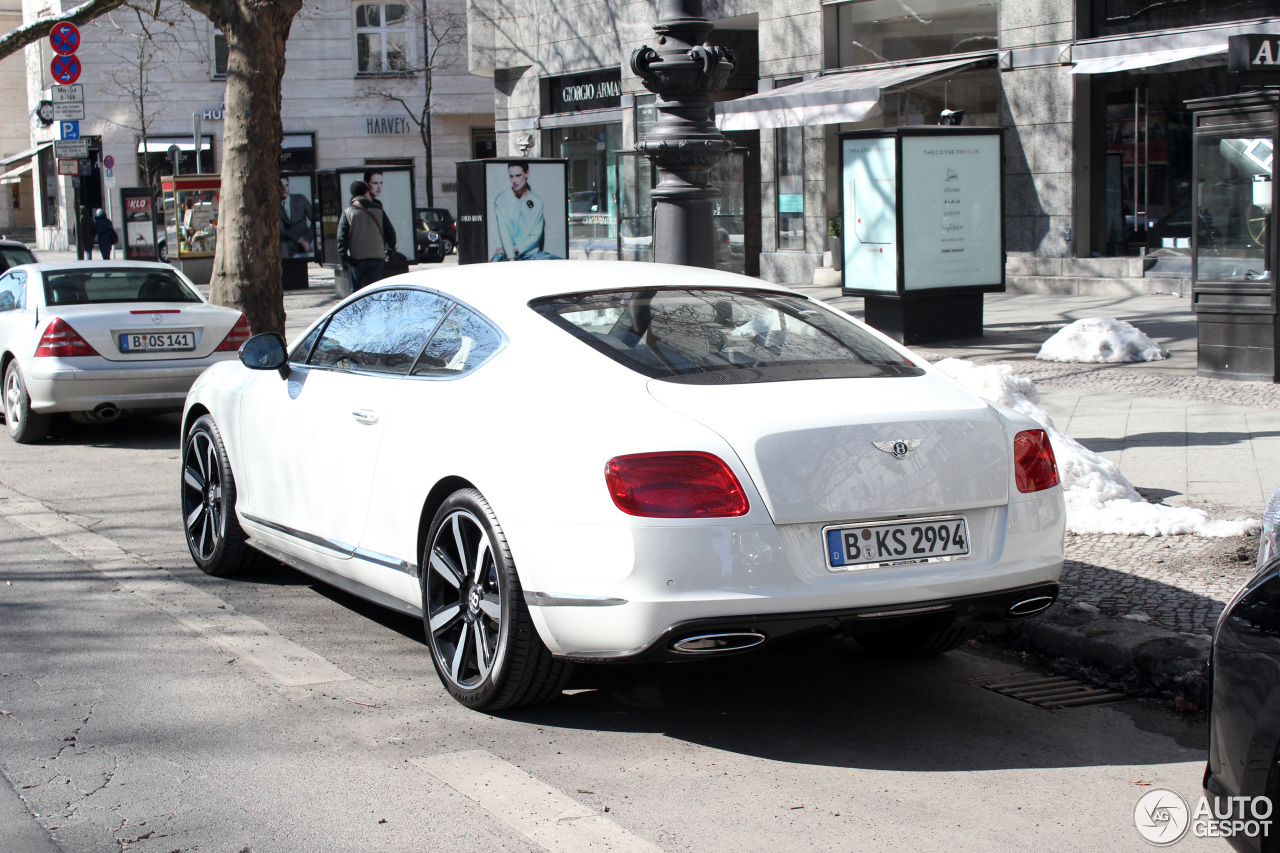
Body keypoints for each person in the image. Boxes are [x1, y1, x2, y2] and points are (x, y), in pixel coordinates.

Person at [490, 161, 560, 261]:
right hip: (508, 253)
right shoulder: (501, 200)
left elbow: (535, 237)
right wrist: (510, 255)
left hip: (532, 255)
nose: (514, 180)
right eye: (511, 176)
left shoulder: (537, 202)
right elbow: (504, 232)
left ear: (527, 173)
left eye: (518, 176)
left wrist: (515, 249)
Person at [336, 180, 396, 292]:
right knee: (375, 292)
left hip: (357, 259)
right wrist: (389, 250)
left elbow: (341, 237)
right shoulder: (378, 209)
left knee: (357, 294)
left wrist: (345, 257)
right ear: (367, 192)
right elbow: (390, 232)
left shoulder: (348, 212)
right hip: (377, 258)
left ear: (353, 195)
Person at [279, 177, 313, 257]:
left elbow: (315, 219)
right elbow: (282, 229)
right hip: (288, 246)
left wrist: (307, 239)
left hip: (304, 244)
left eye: (286, 185)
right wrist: (301, 241)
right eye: (281, 186)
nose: (284, 189)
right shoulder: (275, 205)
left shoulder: (300, 199)